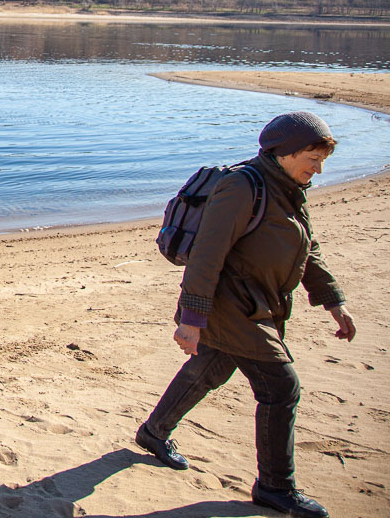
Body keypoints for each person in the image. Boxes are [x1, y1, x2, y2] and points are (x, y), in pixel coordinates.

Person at [136, 111, 355, 518]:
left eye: (322, 160)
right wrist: (192, 318)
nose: (318, 168)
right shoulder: (242, 186)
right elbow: (207, 254)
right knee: (280, 387)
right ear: (285, 153)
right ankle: (275, 487)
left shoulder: (290, 187)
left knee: (210, 369)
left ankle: (154, 432)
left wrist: (332, 299)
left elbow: (308, 246)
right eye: (312, 158)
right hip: (230, 305)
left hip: (261, 303)